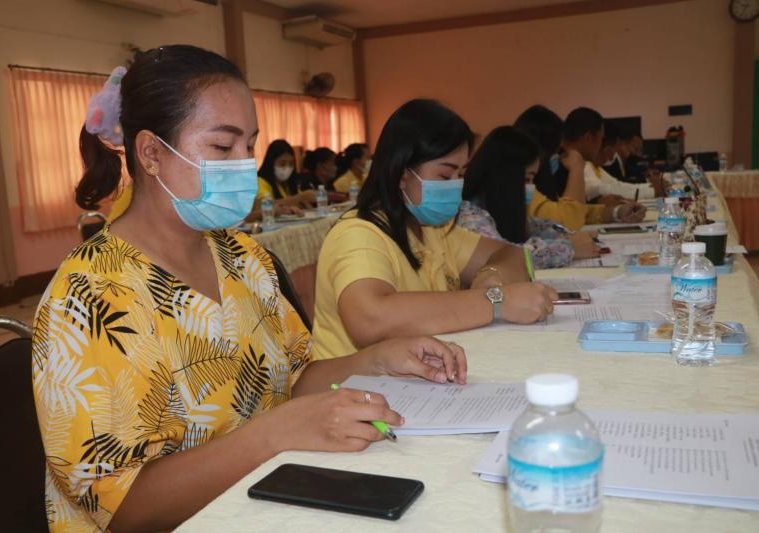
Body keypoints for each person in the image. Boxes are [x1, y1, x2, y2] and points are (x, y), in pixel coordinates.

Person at [36, 45, 469, 533]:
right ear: (152, 152)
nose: (243, 164)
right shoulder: (89, 298)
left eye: (250, 146)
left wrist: (376, 360)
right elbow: (124, 510)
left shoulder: (242, 257)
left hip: (262, 502)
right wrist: (271, 437)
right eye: (223, 148)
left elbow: (293, 376)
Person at [311, 99, 557, 360]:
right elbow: (370, 318)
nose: (456, 185)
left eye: (461, 174)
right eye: (444, 176)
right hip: (350, 391)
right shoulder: (358, 234)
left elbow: (512, 255)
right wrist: (495, 302)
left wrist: (492, 278)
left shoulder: (433, 229)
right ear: (401, 174)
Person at [459, 126, 599, 269]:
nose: (531, 187)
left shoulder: (496, 207)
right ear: (504, 176)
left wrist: (567, 236)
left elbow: (538, 226)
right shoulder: (470, 217)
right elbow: (503, 257)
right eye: (526, 179)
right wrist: (569, 247)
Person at [526, 107, 645, 230]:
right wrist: (576, 168)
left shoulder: (564, 164)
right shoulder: (564, 165)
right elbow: (568, 221)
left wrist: (616, 212)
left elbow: (572, 211)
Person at [584, 125, 658, 203]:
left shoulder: (596, 166)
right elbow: (602, 189)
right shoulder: (586, 165)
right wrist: (650, 191)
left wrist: (649, 188)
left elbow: (616, 184)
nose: (612, 157)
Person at [256, 139, 316, 207]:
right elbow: (263, 206)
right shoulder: (260, 182)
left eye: (291, 164)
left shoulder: (288, 183)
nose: (287, 168)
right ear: (271, 163)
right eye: (282, 164)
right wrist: (298, 198)